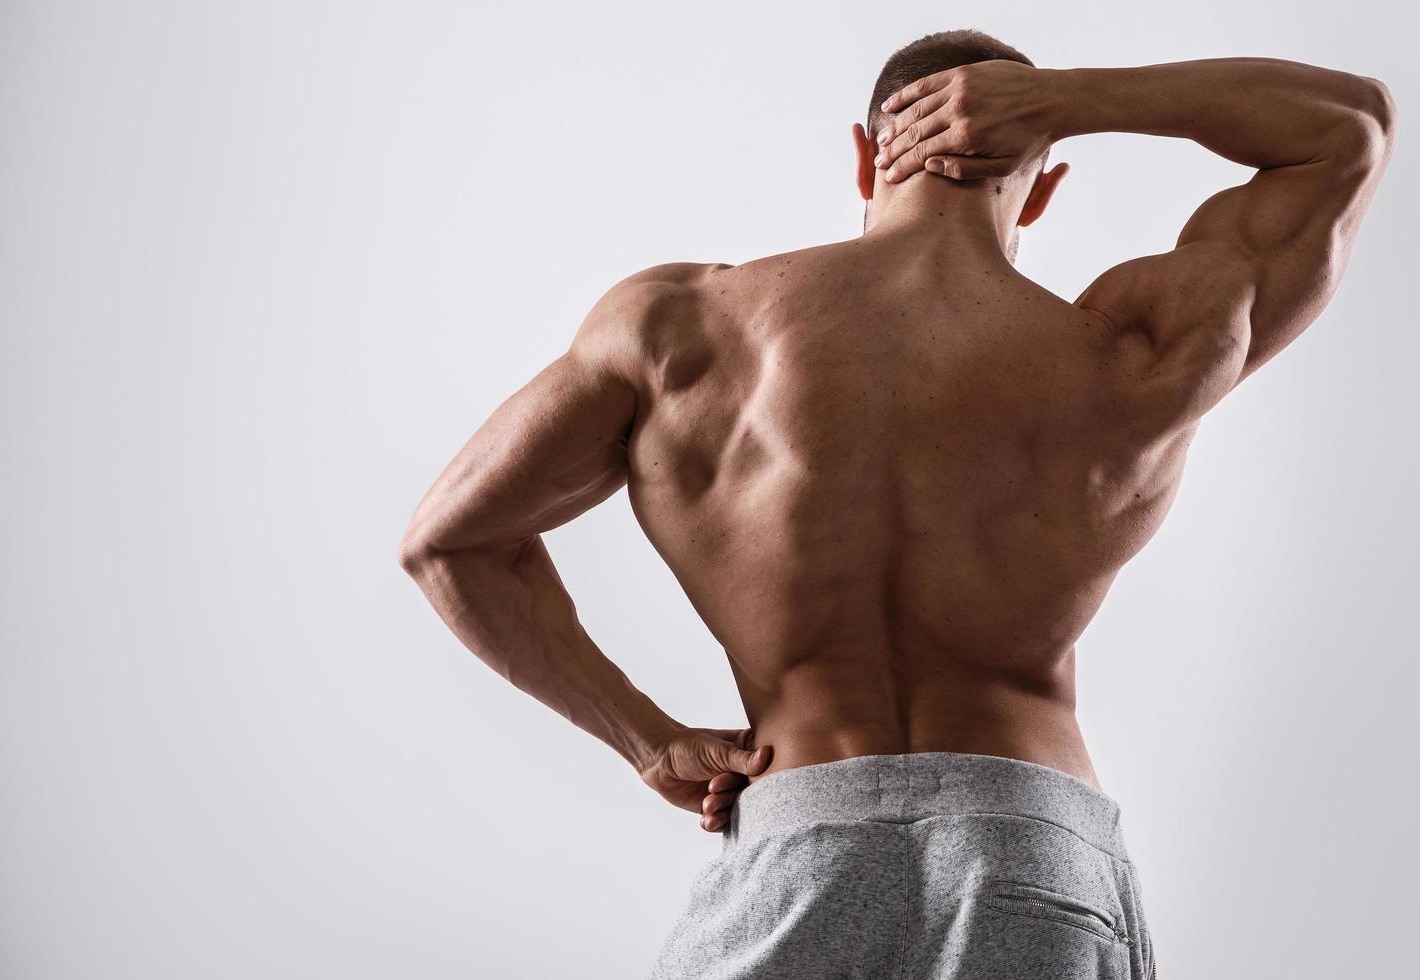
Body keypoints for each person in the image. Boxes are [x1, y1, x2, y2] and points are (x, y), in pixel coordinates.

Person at [399, 29, 1395, 979]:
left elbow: (449, 541)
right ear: (1042, 187)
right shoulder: (1137, 349)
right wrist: (1071, 100)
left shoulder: (679, 331)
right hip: (1031, 855)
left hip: (800, 835)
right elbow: (1348, 129)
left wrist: (648, 738)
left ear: (865, 158)